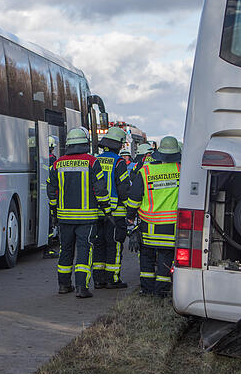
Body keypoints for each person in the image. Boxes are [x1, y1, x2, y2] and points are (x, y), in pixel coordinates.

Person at [47, 126, 109, 298]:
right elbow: (100, 189)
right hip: (87, 219)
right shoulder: (92, 162)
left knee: (65, 250)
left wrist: (54, 211)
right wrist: (107, 210)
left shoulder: (57, 163)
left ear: (68, 144)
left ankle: (64, 285)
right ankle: (82, 287)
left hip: (64, 217)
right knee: (84, 251)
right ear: (85, 144)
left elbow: (51, 190)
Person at [124, 136, 182, 297]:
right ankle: (161, 291)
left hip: (148, 226)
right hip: (170, 226)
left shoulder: (146, 171)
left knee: (146, 257)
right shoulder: (181, 170)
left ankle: (147, 289)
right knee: (166, 258)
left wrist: (130, 216)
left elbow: (134, 198)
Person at [91, 126, 129, 289]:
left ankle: (98, 279)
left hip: (96, 212)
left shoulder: (95, 160)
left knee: (98, 244)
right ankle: (112, 279)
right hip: (115, 213)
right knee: (114, 244)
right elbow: (123, 188)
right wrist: (130, 209)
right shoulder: (119, 162)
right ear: (119, 144)